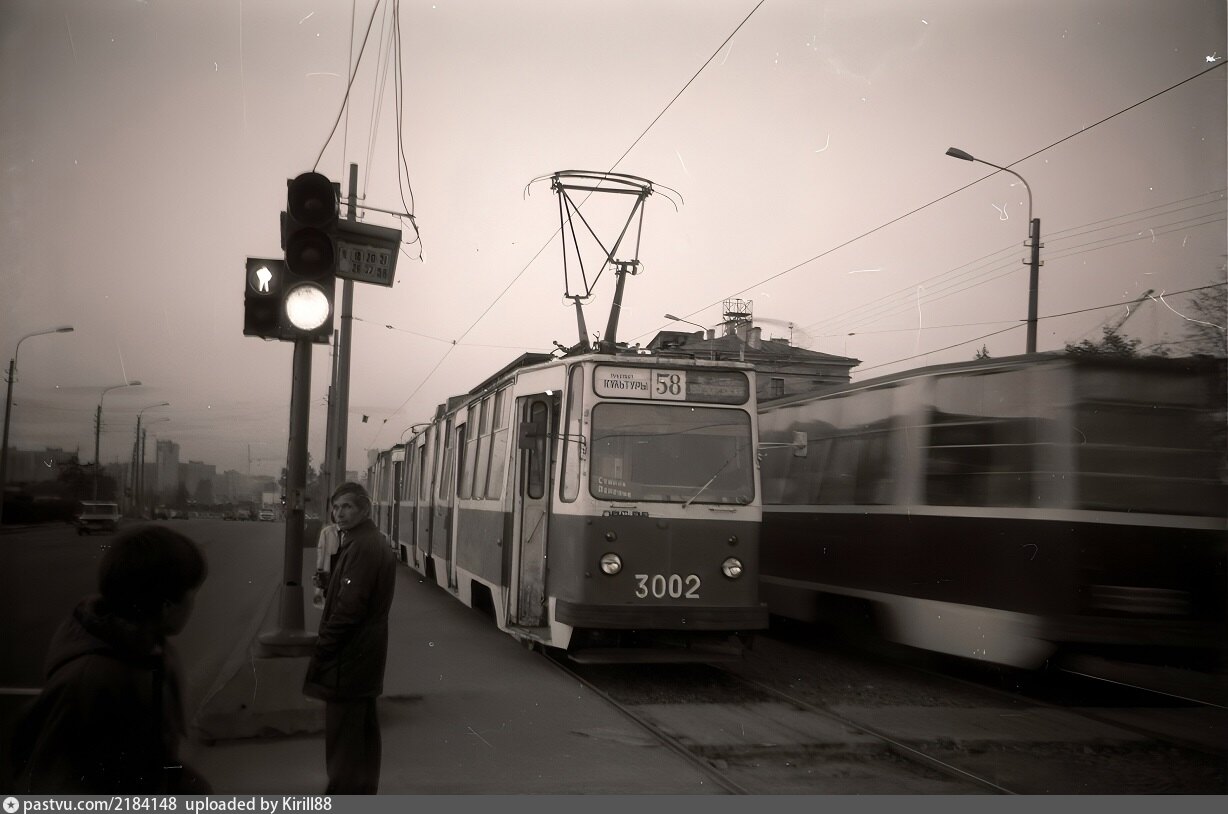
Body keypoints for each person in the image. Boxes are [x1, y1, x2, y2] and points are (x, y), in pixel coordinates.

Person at [9, 524, 211, 793]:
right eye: (193, 594)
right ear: (166, 607)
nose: (195, 604)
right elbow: (52, 782)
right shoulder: (91, 679)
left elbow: (152, 754)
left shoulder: (152, 651)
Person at [303, 482, 396, 794]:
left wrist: (323, 649)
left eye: (347, 507)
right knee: (361, 740)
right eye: (335, 507)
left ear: (364, 510)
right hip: (364, 655)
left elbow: (348, 610)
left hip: (350, 659)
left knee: (344, 745)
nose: (338, 513)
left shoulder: (362, 547)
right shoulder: (366, 541)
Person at [312, 514, 341, 609]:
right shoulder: (327, 532)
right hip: (331, 567)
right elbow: (321, 552)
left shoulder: (351, 532)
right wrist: (319, 569)